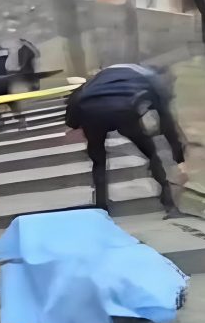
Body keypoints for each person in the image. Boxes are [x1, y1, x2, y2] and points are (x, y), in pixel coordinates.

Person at [65, 63, 186, 219]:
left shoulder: (102, 76)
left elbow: (78, 96)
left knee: (99, 162)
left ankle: (101, 208)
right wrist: (179, 156)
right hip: (123, 111)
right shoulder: (151, 78)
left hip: (90, 111)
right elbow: (167, 121)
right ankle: (169, 204)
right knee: (151, 153)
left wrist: (75, 122)